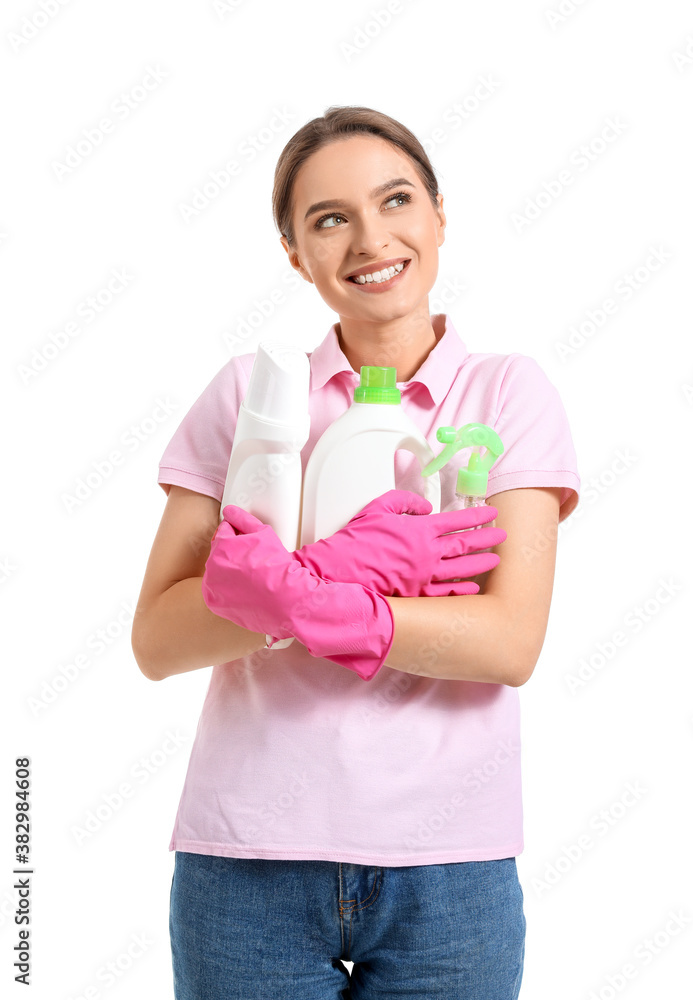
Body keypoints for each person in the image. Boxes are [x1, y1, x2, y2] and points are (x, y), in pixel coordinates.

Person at [131, 105, 580, 1000]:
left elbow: (506, 643)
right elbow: (157, 641)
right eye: (328, 218)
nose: (370, 238)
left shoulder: (504, 393)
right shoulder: (252, 397)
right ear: (295, 253)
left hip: (449, 866)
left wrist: (294, 595)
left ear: (439, 215)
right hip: (247, 858)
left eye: (395, 199)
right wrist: (331, 579)